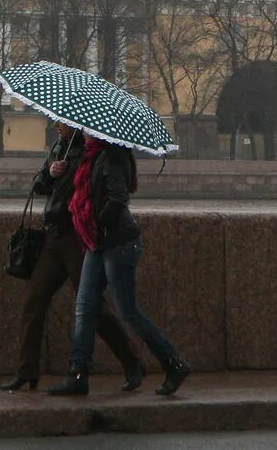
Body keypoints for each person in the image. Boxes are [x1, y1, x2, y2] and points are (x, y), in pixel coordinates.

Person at [0, 122, 149, 392]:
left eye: (61, 123)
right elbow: (39, 186)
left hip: (77, 238)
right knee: (34, 300)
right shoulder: (60, 147)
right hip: (53, 236)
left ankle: (132, 362)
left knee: (94, 308)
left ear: (76, 125)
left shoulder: (93, 151)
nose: (56, 125)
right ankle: (26, 370)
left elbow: (97, 192)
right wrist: (50, 173)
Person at [48, 136, 190, 397]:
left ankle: (175, 363)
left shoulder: (112, 156)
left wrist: (96, 223)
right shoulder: (90, 156)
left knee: (128, 312)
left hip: (119, 243)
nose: (84, 131)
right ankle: (78, 375)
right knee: (85, 307)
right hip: (99, 242)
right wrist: (57, 172)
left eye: (88, 127)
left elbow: (118, 198)